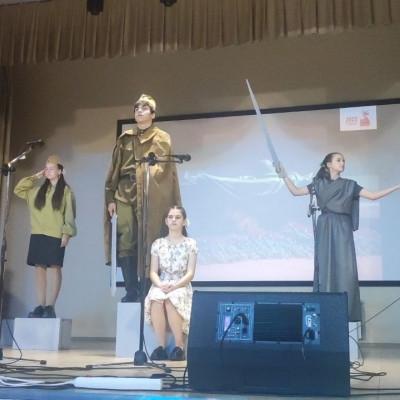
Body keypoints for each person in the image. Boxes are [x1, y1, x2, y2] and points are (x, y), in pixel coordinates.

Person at [276, 153, 400, 322]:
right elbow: (296, 192)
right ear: (329, 164)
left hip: (342, 226)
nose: (342, 163)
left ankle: (345, 310)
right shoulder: (318, 184)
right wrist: (284, 175)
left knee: (346, 266)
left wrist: (397, 186)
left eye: (343, 161)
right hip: (325, 225)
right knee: (325, 265)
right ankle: (325, 311)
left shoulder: (350, 185)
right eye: (339, 160)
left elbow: (373, 196)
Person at [104, 94, 181, 302]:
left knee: (150, 240)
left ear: (153, 114)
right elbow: (114, 170)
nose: (139, 110)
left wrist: (174, 205)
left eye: (144, 108)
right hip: (125, 193)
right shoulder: (125, 138)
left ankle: (148, 288)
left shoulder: (162, 138)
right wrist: (110, 197)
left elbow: (168, 173)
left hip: (150, 195)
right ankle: (131, 290)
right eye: (137, 108)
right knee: (126, 240)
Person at [14, 155, 77, 318]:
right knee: (39, 268)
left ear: (60, 170)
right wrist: (35, 177)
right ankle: (41, 305)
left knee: (55, 268)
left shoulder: (66, 191)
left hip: (55, 234)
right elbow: (18, 189)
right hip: (37, 233)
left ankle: (50, 306)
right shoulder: (36, 191)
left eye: (51, 168)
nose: (48, 171)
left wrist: (66, 234)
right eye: (46, 168)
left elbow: (70, 215)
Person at [144, 206, 198, 361]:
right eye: (171, 217)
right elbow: (153, 272)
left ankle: (179, 346)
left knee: (170, 299)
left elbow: (190, 273)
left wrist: (175, 286)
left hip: (181, 284)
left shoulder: (190, 243)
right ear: (166, 221)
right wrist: (160, 285)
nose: (174, 220)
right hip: (162, 283)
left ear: (184, 221)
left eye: (178, 217)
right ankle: (161, 346)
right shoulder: (158, 244)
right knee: (156, 298)